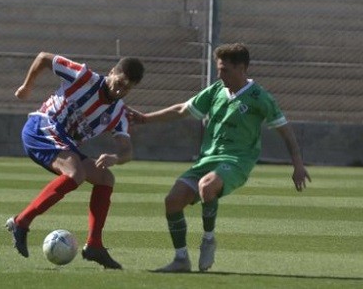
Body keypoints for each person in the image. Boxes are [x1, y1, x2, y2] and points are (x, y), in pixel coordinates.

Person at [126, 43, 311, 272]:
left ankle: (208, 240)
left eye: (225, 70)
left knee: (207, 186)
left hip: (236, 161)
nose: (220, 75)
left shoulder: (259, 97)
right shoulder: (215, 91)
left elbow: (286, 130)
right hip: (207, 160)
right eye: (219, 69)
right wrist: (144, 118)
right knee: (172, 201)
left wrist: (298, 165)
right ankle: (181, 259)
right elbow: (182, 109)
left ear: (242, 68)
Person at [6, 52, 145, 269]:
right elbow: (43, 58)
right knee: (76, 173)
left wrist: (116, 158)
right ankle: (21, 222)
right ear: (111, 73)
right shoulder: (83, 77)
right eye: (118, 83)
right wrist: (27, 87)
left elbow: (127, 151)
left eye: (126, 88)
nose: (119, 90)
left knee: (106, 178)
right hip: (41, 128)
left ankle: (94, 246)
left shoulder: (118, 113)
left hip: (64, 143)